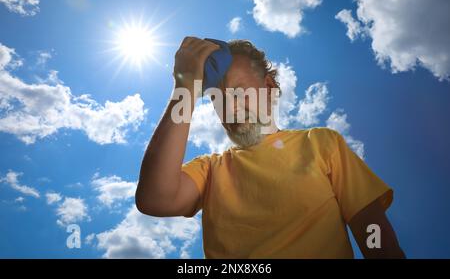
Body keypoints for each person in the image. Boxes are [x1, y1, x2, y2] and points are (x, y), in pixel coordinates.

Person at [136, 36, 405, 259]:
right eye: (218, 100)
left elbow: (373, 233)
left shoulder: (322, 143)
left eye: (239, 93)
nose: (230, 108)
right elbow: (155, 199)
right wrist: (186, 87)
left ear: (269, 87)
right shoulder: (210, 170)